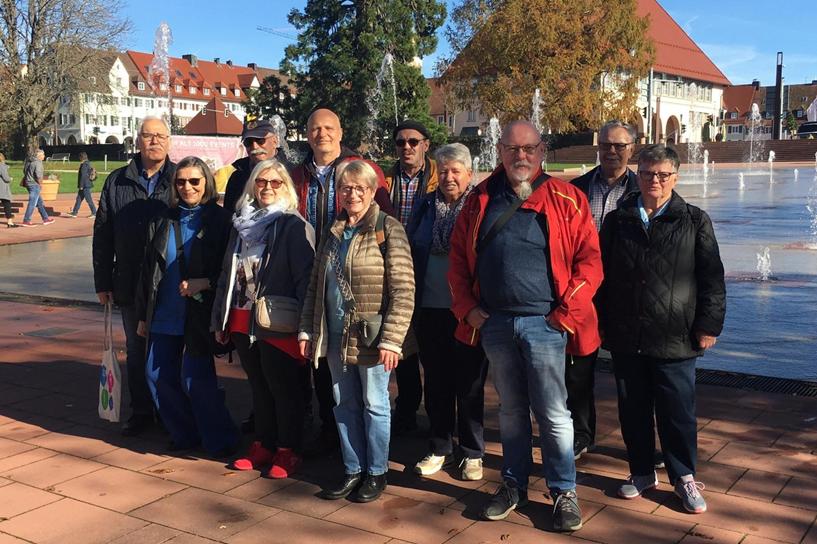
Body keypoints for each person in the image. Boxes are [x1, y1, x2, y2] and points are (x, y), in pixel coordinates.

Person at [448, 121, 602, 532]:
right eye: (513, 149)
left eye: (529, 148)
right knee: (513, 411)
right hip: (496, 323)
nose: (521, 156)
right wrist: (468, 309)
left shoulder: (567, 198)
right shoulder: (479, 199)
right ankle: (513, 484)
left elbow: (590, 262)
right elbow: (457, 264)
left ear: (542, 150)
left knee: (553, 413)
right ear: (499, 150)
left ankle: (563, 490)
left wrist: (565, 315)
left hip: (546, 324)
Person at [597, 144, 725, 514]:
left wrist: (708, 325)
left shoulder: (694, 220)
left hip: (675, 335)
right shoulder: (618, 220)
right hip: (627, 334)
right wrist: (602, 323)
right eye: (649, 173)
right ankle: (640, 471)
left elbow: (712, 279)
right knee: (632, 408)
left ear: (675, 177)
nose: (655, 180)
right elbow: (602, 277)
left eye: (663, 175)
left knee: (677, 411)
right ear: (638, 175)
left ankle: (683, 475)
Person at [299, 159, 414, 503]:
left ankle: (376, 472)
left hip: (372, 338)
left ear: (373, 191)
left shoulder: (387, 228)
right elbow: (315, 286)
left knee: (375, 403)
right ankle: (353, 468)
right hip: (334, 334)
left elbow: (404, 288)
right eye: (345, 188)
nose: (351, 194)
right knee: (343, 402)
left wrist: (393, 339)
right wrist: (307, 330)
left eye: (359, 188)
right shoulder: (333, 232)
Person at [291, 107, 395, 455]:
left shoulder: (362, 169)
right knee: (321, 356)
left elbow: (381, 218)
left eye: (328, 127)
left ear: (340, 131)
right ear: (307, 134)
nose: (322, 134)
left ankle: (367, 451)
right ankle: (328, 428)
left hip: (356, 275)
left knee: (362, 376)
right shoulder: (298, 174)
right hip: (312, 271)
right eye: (315, 128)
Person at [211, 159, 315, 479]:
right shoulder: (241, 223)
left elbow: (306, 279)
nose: (267, 188)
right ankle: (263, 444)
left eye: (275, 182)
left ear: (286, 187)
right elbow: (227, 273)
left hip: (277, 320)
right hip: (243, 317)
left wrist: (305, 327)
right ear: (252, 186)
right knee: (259, 387)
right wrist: (220, 318)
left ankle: (288, 449)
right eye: (261, 182)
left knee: (283, 388)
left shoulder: (293, 225)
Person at [134, 156, 238, 456]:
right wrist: (143, 315)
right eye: (181, 181)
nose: (188, 187)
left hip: (198, 313)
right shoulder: (162, 219)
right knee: (156, 377)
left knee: (197, 381)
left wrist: (204, 282)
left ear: (206, 182)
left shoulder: (221, 221)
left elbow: (232, 270)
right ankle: (185, 433)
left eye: (195, 181)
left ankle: (221, 439)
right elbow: (147, 271)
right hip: (163, 312)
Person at [406, 143, 487, 481]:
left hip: (466, 311)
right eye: (444, 170)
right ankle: (440, 446)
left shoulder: (481, 206)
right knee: (436, 381)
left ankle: (471, 451)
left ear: (469, 173)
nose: (449, 177)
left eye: (457, 170)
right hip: (430, 306)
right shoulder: (424, 206)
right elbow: (411, 248)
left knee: (469, 383)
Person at [93, 116, 175, 436]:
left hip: (169, 283)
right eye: (148, 135)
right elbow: (103, 234)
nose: (154, 141)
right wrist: (102, 281)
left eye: (161, 136)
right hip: (128, 280)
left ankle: (169, 411)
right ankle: (141, 411)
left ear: (169, 141)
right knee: (137, 349)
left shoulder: (180, 178)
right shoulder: (117, 181)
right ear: (137, 140)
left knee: (169, 349)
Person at [566, 120, 639, 460]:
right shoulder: (576, 188)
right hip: (583, 289)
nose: (612, 151)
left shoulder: (643, 190)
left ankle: (637, 443)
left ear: (631, 149)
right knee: (578, 371)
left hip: (624, 292)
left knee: (630, 375)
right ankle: (582, 435)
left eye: (620, 146)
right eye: (607, 145)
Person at [384, 119, 438, 434]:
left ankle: (436, 416)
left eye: (413, 142)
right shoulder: (384, 180)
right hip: (394, 271)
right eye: (401, 142)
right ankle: (406, 409)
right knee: (401, 345)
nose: (407, 147)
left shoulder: (436, 178)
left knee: (432, 350)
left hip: (428, 271)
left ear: (426, 145)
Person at [222, 116, 290, 212]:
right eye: (248, 142)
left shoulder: (292, 172)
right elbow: (228, 216)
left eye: (260, 141)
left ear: (275, 141)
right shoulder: (237, 177)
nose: (254, 146)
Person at [20, 149, 54, 227]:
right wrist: (40, 184)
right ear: (39, 156)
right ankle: (26, 220)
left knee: (39, 203)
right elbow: (38, 175)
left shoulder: (29, 161)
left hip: (28, 183)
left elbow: (24, 171)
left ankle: (45, 218)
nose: (44, 156)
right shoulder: (38, 163)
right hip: (34, 184)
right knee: (32, 202)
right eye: (43, 155)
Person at [67, 152, 98, 218]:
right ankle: (74, 212)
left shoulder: (84, 165)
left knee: (89, 200)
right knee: (78, 199)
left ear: (81, 157)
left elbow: (83, 176)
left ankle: (94, 213)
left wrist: (81, 185)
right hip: (86, 184)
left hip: (85, 186)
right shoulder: (88, 163)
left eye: (79, 157)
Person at [0, 153, 17, 228]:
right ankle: (10, 222)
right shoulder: (1, 166)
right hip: (2, 188)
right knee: (7, 204)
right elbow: (6, 178)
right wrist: (10, 179)